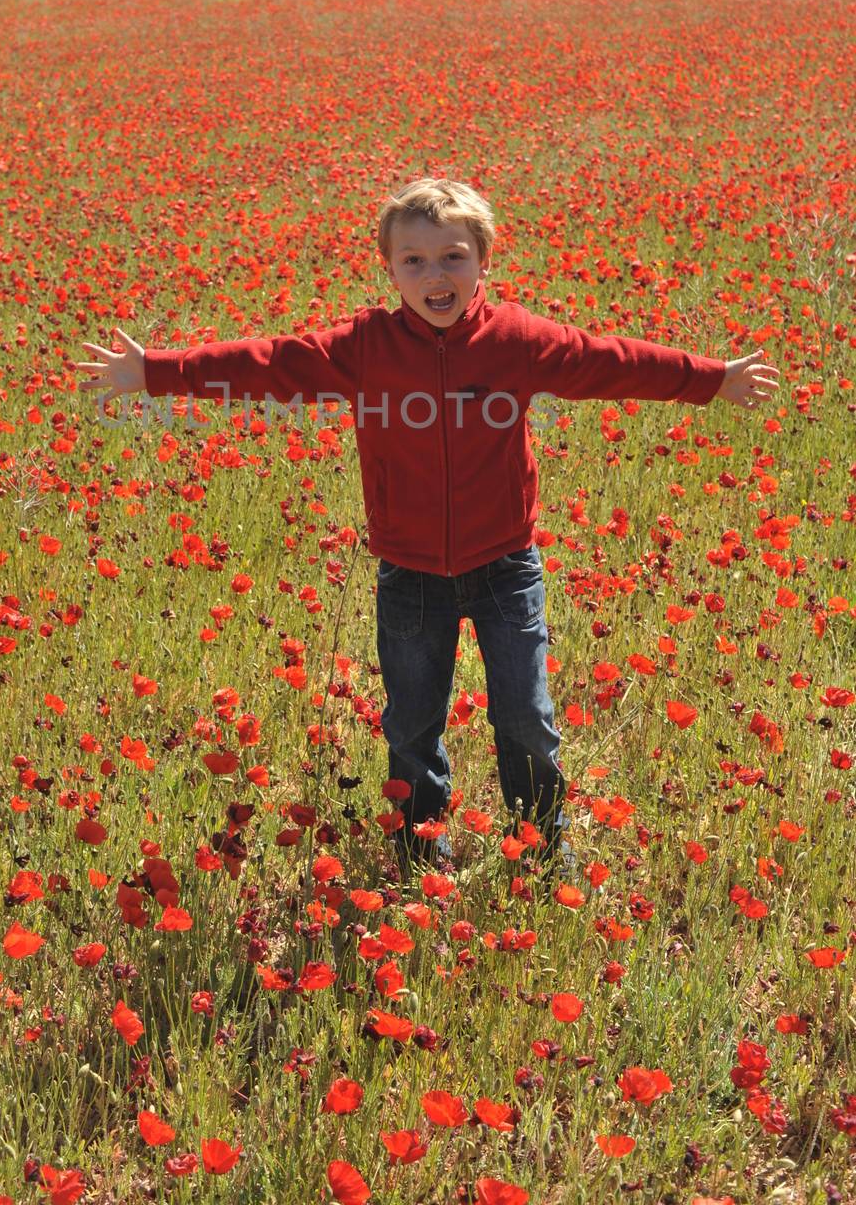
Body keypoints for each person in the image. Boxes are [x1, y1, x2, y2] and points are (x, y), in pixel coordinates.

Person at [75, 178, 780, 882]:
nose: (433, 275)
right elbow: (270, 363)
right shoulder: (364, 346)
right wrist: (155, 372)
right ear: (389, 271)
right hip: (409, 572)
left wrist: (709, 378)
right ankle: (417, 846)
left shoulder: (517, 341)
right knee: (412, 723)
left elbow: (610, 361)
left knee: (525, 719)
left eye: (451, 257)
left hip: (505, 564)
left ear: (483, 262)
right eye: (413, 261)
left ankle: (538, 841)